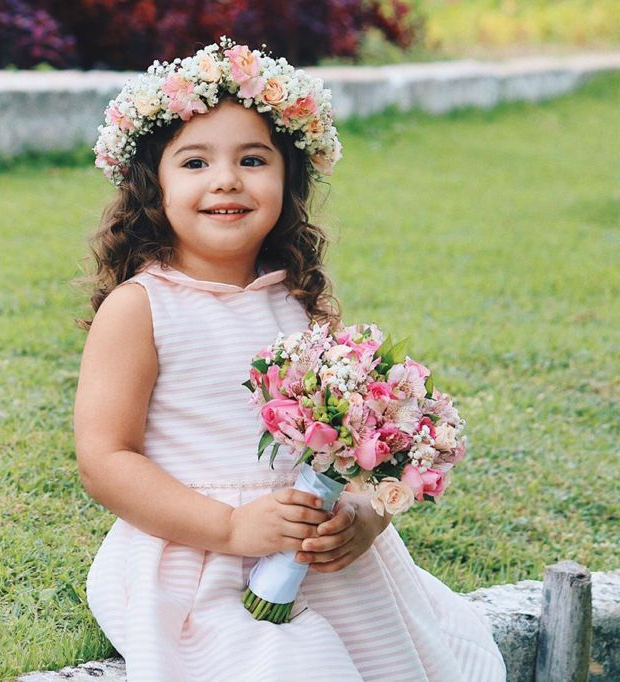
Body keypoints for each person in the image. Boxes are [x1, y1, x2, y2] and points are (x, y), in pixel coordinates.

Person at [72, 37, 507, 681]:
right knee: (287, 663)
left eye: (253, 159)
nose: (226, 179)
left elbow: (358, 442)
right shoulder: (142, 308)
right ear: (152, 186)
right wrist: (229, 528)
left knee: (409, 660)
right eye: (194, 162)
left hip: (313, 546)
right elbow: (106, 459)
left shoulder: (299, 303)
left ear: (288, 179)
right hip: (200, 552)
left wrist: (366, 514)